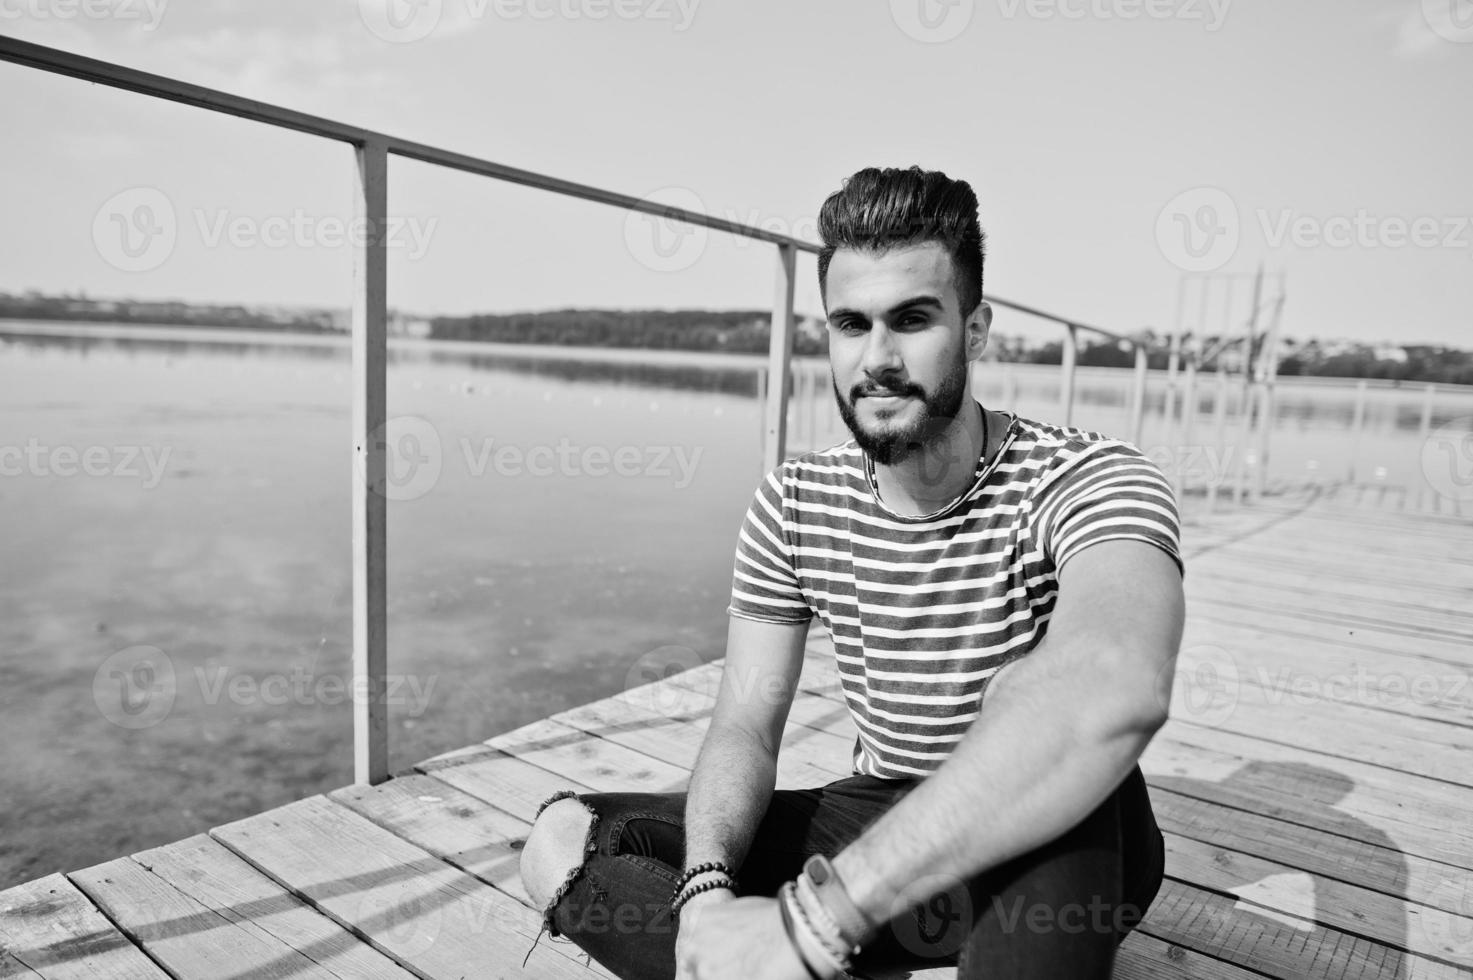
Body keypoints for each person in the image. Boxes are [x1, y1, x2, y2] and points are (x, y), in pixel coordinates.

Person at [519, 165, 1184, 980]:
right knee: (564, 843)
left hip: (1057, 847)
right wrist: (704, 895)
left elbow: (1113, 685)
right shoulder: (796, 501)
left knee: (1046, 730)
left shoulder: (1087, 477)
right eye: (849, 323)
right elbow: (744, 726)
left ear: (975, 331)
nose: (877, 358)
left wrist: (817, 921)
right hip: (880, 820)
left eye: (911, 320)